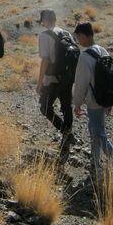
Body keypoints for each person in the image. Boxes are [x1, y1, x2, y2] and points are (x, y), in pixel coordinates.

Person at [72, 22, 113, 179]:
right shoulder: (103, 51)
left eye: (79, 37)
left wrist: (77, 104)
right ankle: (94, 163)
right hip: (104, 98)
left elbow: (80, 84)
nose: (79, 41)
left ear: (84, 36)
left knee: (99, 133)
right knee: (95, 129)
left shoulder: (85, 57)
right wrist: (110, 102)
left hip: (93, 101)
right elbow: (111, 77)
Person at [36, 9, 76, 146]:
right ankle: (67, 138)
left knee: (45, 108)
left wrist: (40, 82)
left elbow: (45, 60)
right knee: (66, 107)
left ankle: (66, 133)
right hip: (68, 77)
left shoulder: (44, 35)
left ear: (44, 20)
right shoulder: (66, 33)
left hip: (52, 79)